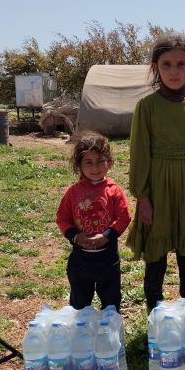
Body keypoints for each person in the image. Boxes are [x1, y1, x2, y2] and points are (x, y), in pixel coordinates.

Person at [126, 32, 185, 312]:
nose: (174, 71)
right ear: (156, 67)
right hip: (157, 189)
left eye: (181, 64)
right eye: (166, 64)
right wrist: (143, 197)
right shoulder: (147, 107)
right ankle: (155, 315)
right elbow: (139, 153)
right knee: (155, 258)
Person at [56, 131, 131, 312]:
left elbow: (124, 216)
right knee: (79, 304)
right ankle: (81, 334)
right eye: (88, 162)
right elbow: (62, 218)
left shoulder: (114, 191)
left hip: (108, 258)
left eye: (100, 161)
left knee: (111, 302)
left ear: (109, 162)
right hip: (80, 260)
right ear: (79, 165)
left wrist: (106, 236)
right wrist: (75, 236)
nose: (95, 168)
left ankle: (109, 334)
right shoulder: (73, 192)